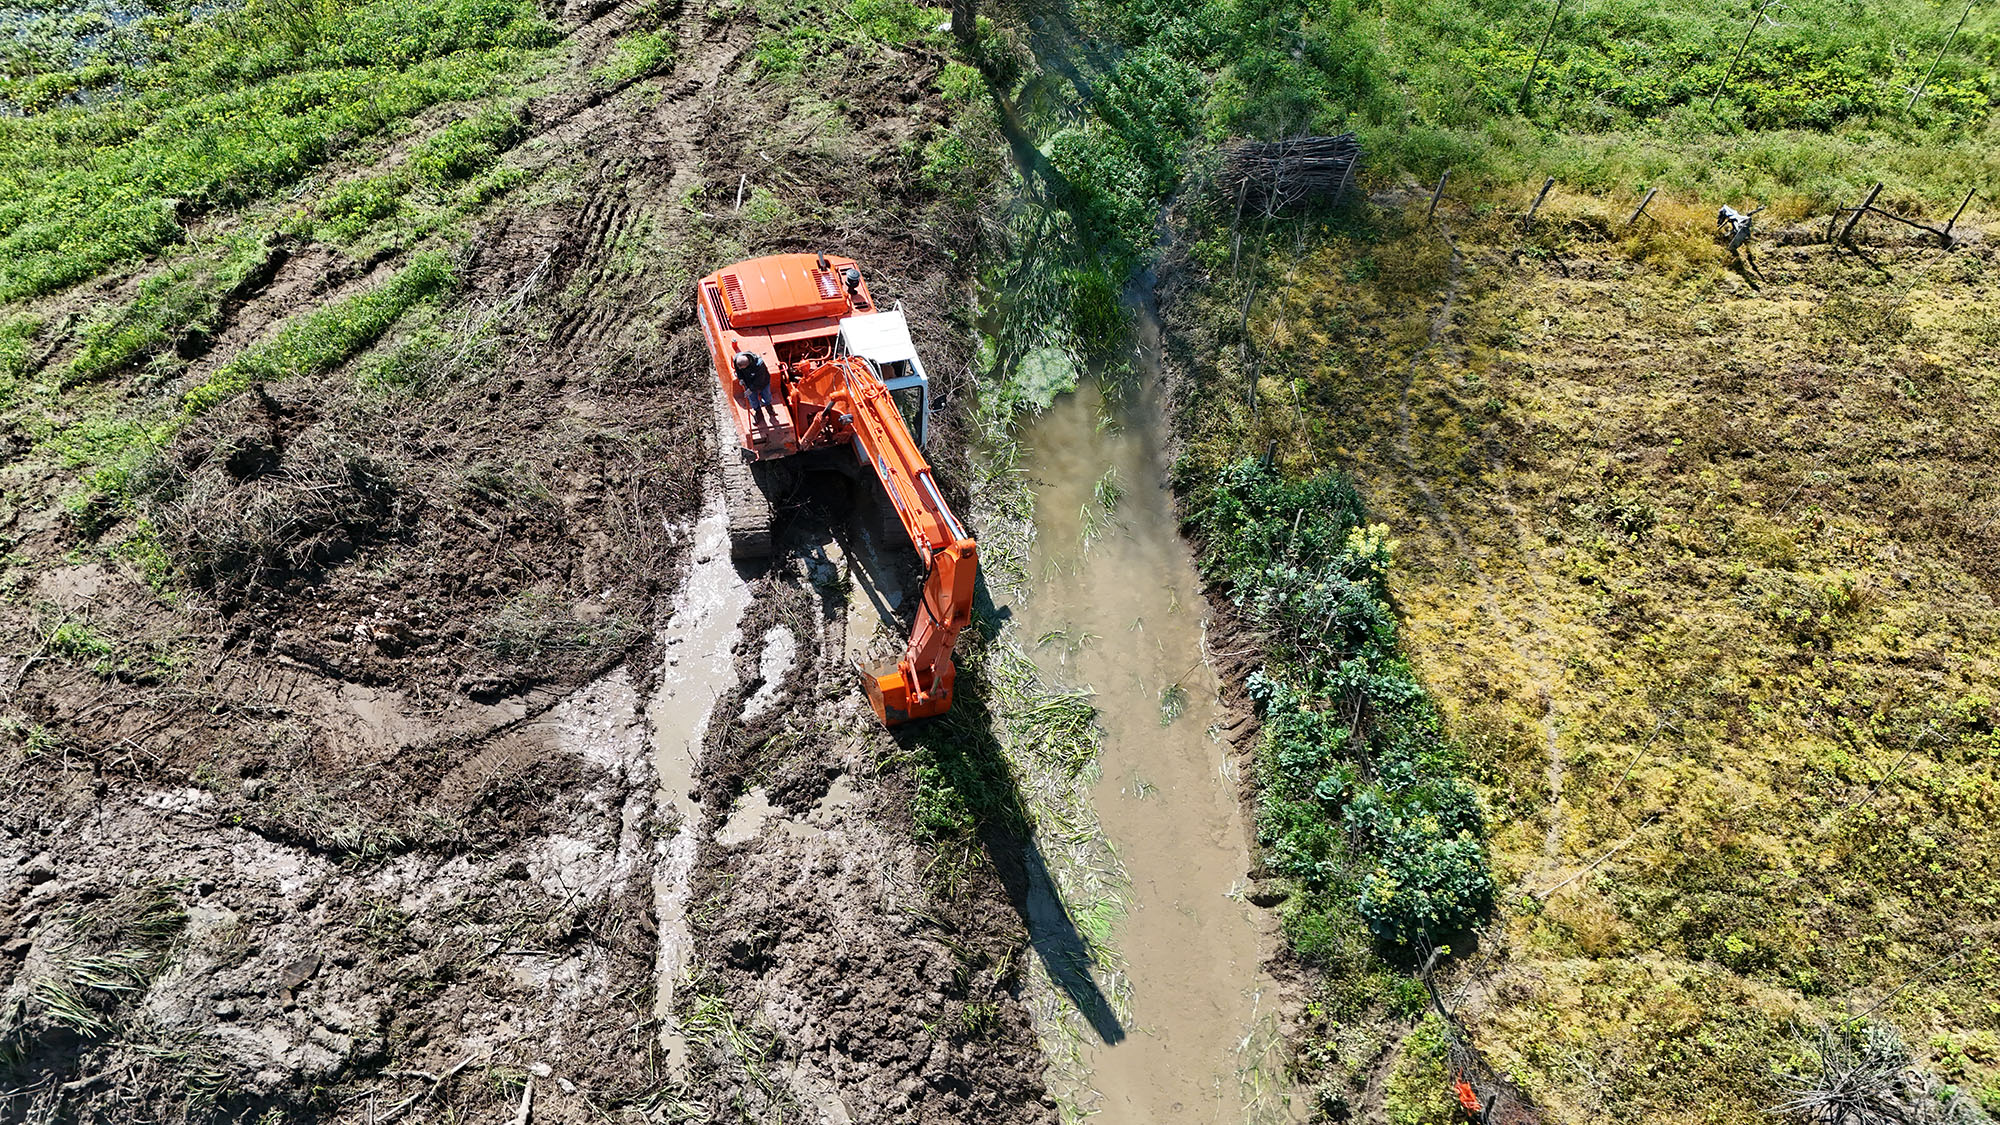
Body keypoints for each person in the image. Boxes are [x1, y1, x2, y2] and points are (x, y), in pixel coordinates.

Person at [733, 349, 776, 425]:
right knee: (752, 399)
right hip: (749, 382)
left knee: (767, 396)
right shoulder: (737, 359)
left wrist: (750, 389)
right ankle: (758, 412)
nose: (740, 369)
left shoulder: (759, 365)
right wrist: (741, 379)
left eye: (742, 368)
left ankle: (768, 406)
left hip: (763, 382)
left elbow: (759, 381)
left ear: (747, 365)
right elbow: (738, 371)